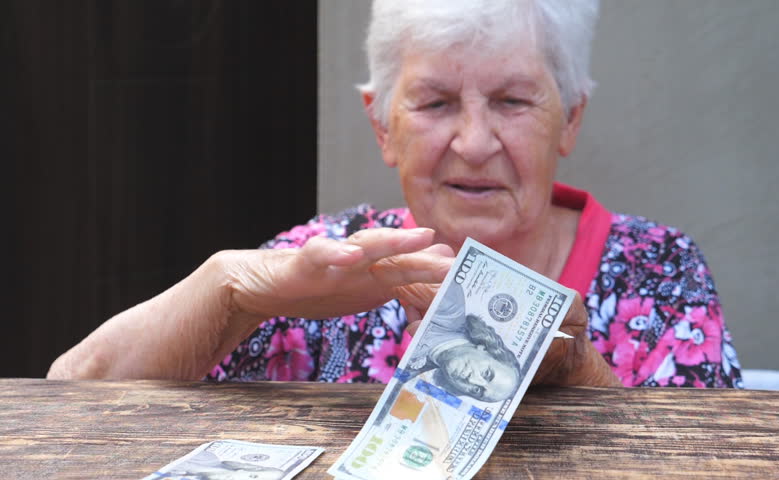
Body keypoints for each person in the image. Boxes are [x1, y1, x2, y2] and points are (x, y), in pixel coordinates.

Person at [49, 0, 743, 389]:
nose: (474, 142)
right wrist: (231, 288)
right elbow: (73, 389)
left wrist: (568, 367)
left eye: (511, 100)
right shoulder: (327, 266)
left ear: (572, 118)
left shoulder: (661, 272)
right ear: (382, 124)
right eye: (435, 102)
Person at [403, 282, 522, 402]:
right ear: (485, 348)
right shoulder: (450, 306)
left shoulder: (407, 375)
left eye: (477, 390)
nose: (472, 380)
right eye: (486, 373)